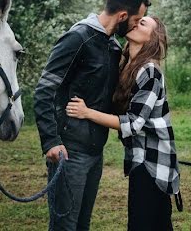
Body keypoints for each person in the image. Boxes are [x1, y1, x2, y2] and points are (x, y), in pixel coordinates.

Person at [34, 0, 151, 231]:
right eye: (136, 19)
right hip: (69, 152)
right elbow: (44, 90)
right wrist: (50, 141)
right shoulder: (77, 39)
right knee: (64, 227)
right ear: (122, 16)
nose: (136, 25)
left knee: (82, 226)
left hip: (95, 152)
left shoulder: (112, 46)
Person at [66, 15, 180, 231]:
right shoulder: (128, 65)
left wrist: (86, 112)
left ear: (153, 38)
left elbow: (134, 123)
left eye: (143, 23)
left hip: (154, 163)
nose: (135, 23)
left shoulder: (150, 71)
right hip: (140, 159)